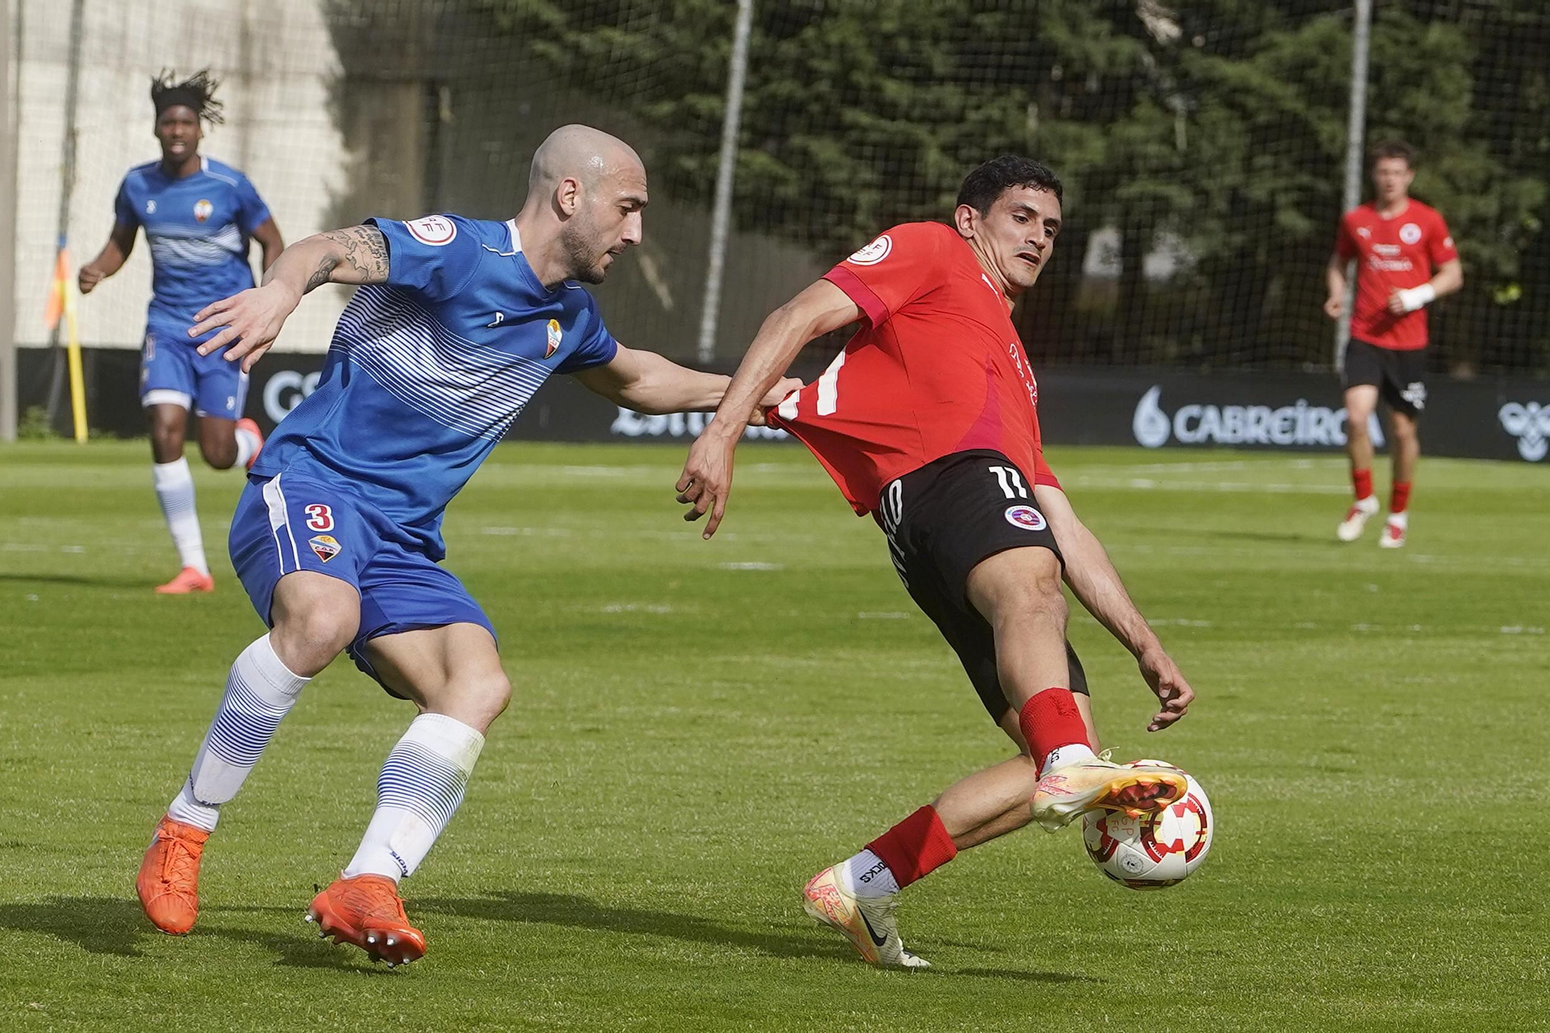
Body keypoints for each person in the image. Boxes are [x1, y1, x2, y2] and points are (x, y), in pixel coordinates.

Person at [132, 124, 798, 967]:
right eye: (627, 209)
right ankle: (186, 825)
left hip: (405, 541)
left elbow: (637, 377)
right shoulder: (458, 251)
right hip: (311, 485)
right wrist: (279, 291)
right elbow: (329, 249)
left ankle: (367, 880)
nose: (634, 233)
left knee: (478, 683)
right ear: (570, 196)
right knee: (321, 616)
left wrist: (758, 392)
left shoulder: (567, 314)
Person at [674, 156, 1196, 968]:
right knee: (1038, 613)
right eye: (1022, 216)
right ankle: (1069, 763)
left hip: (944, 513)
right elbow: (797, 314)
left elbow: (1062, 519)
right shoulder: (931, 249)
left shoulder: (1016, 364)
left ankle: (862, 881)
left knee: (1057, 743)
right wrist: (722, 431)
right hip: (944, 479)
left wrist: (1145, 642)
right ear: (970, 220)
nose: (1039, 237)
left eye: (1052, 228)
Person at [79, 70, 284, 593]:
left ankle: (246, 441)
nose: (176, 130)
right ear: (156, 128)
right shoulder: (136, 184)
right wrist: (98, 268)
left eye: (185, 122)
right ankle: (194, 566)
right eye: (168, 121)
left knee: (216, 453)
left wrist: (267, 302)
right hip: (167, 327)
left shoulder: (229, 186)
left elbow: (273, 241)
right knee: (165, 429)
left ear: (199, 131)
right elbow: (121, 242)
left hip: (222, 328)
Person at [1325, 140, 1463, 549]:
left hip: (1408, 344)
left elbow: (1453, 274)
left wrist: (1416, 295)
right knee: (1355, 417)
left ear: (1409, 176)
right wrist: (1336, 291)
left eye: (1397, 172)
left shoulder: (1428, 220)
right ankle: (1364, 499)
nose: (1389, 179)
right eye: (1383, 171)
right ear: (1374, 175)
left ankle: (1398, 514)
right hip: (1365, 336)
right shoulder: (1357, 219)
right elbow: (1338, 261)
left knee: (1403, 432)